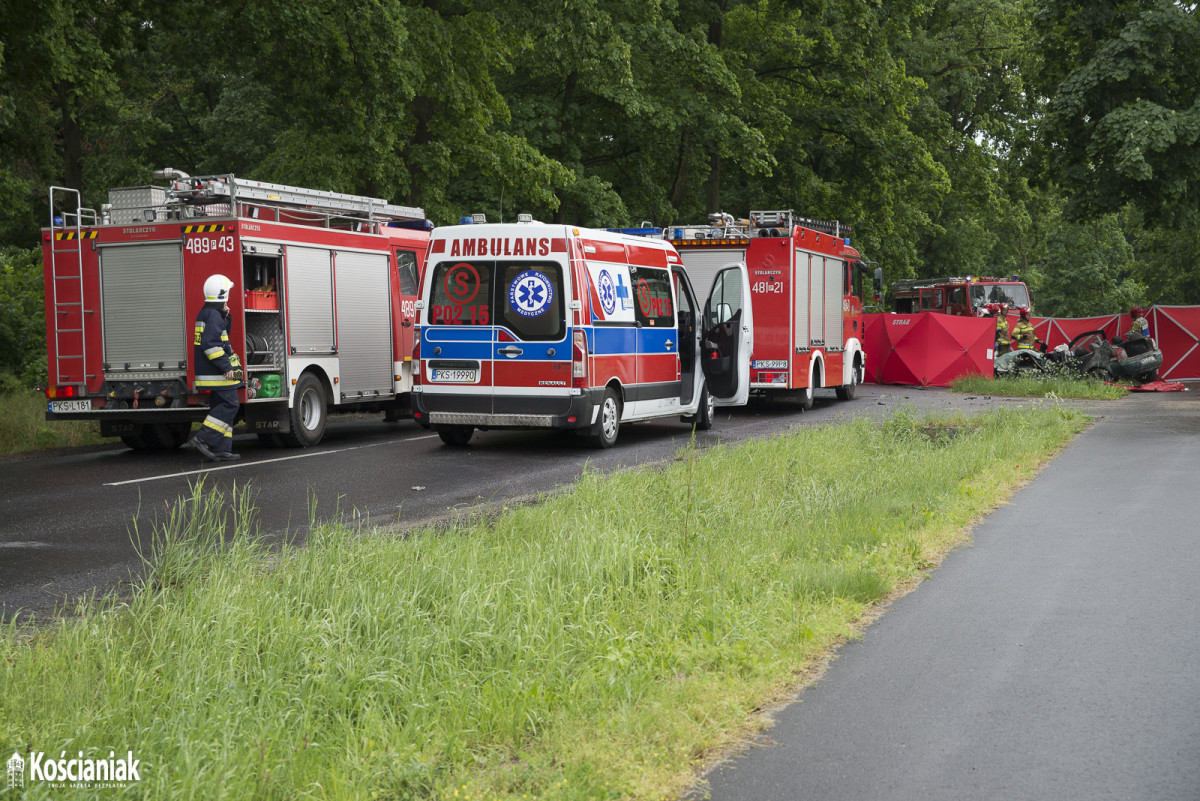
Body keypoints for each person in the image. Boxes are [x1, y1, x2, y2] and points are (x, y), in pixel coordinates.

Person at [191, 274, 243, 461]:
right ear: (223, 294)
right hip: (216, 372)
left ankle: (221, 447)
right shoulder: (212, 315)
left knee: (221, 406)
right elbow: (211, 344)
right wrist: (226, 366)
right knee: (231, 404)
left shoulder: (207, 313)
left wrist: (225, 316)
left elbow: (221, 335)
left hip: (210, 372)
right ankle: (203, 438)